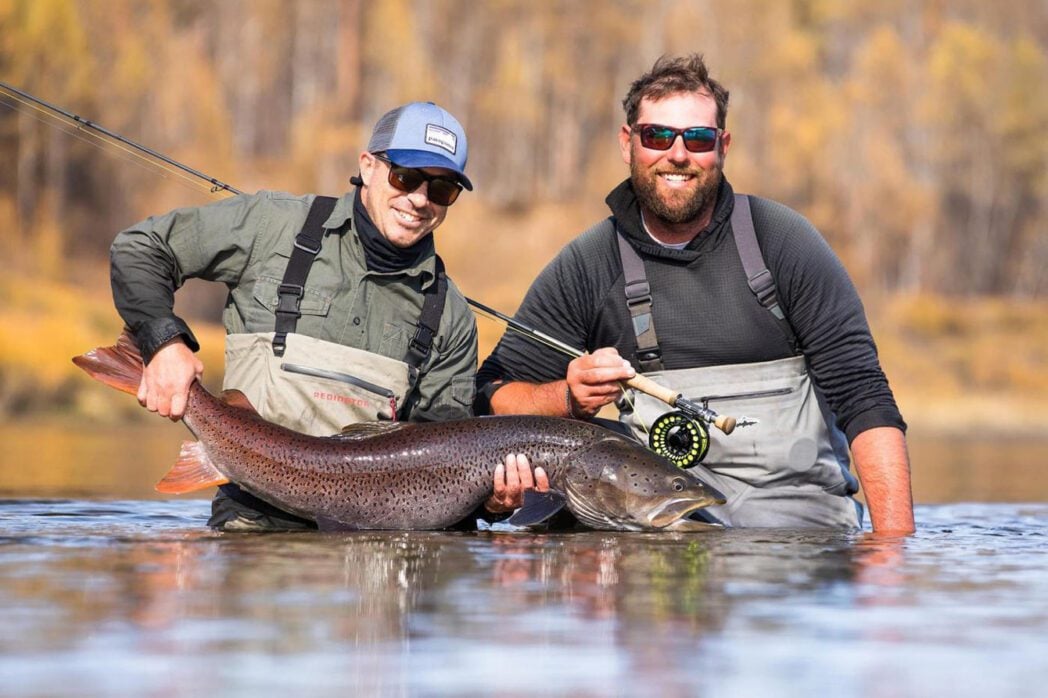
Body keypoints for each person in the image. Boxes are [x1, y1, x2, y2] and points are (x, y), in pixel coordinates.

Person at [476, 55, 915, 534]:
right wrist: (568, 397)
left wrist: (893, 551)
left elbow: (864, 396)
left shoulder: (782, 241)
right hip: (650, 535)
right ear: (628, 143)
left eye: (698, 138)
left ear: (722, 146)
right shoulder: (589, 263)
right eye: (658, 136)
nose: (678, 154)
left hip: (793, 535)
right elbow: (493, 396)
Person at [111, 101, 543, 530]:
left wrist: (494, 501)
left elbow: (447, 459)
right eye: (406, 177)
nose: (419, 200)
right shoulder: (273, 227)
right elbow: (141, 248)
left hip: (366, 557)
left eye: (442, 189)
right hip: (251, 530)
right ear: (368, 166)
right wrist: (163, 343)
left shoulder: (450, 315)